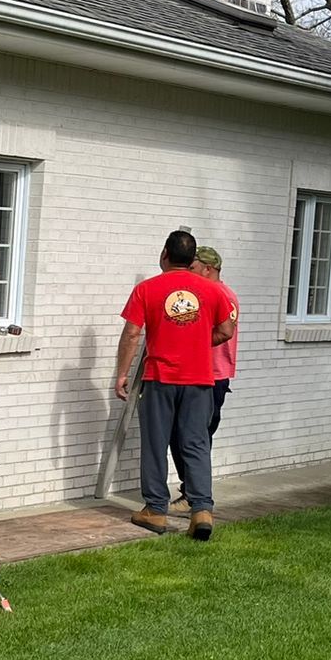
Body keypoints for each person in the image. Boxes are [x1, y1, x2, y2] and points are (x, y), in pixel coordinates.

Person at [112, 229, 238, 540]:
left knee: (156, 443)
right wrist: (195, 342)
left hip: (160, 378)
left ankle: (156, 510)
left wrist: (122, 373)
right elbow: (226, 330)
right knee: (196, 444)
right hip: (200, 380)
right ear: (192, 258)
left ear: (165, 254)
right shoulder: (213, 290)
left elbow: (131, 333)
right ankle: (202, 510)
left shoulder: (147, 289)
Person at [172, 244, 238, 515]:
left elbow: (224, 332)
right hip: (200, 373)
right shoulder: (206, 293)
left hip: (212, 376)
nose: (189, 271)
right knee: (183, 434)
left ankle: (194, 495)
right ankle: (192, 490)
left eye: (193, 267)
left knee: (195, 436)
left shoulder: (221, 295)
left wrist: (189, 344)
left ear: (208, 269)